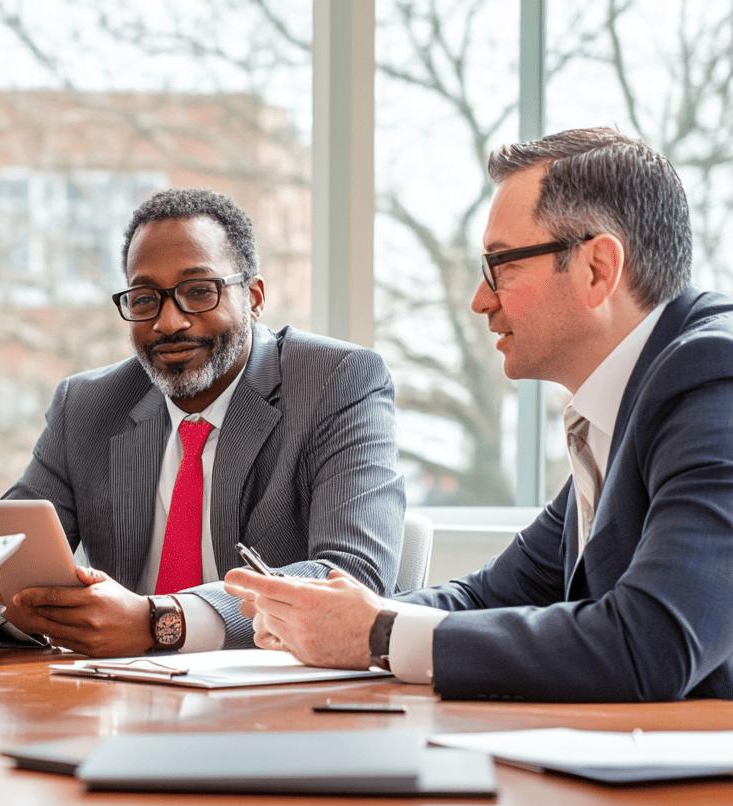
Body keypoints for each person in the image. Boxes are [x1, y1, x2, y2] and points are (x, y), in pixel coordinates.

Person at [228, 127, 733, 702]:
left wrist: (378, 634)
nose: (480, 299)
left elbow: (654, 643)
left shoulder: (716, 377)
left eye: (501, 265)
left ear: (597, 268)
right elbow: (490, 595)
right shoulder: (623, 405)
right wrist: (337, 618)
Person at [0, 188, 405, 657]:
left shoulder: (335, 381)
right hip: (119, 701)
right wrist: (34, 614)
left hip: (276, 707)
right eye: (145, 298)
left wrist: (161, 623)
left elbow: (351, 576)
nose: (169, 322)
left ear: (253, 297)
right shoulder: (88, 407)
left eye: (197, 291)